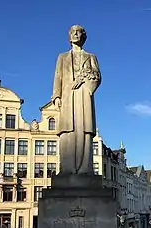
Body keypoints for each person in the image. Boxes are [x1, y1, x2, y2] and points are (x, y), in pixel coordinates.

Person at [51, 25, 101, 175]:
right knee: (68, 130)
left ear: (83, 36)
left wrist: (86, 81)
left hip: (84, 96)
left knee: (84, 129)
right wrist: (57, 96)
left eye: (78, 32)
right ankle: (67, 169)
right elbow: (57, 76)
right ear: (69, 36)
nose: (75, 34)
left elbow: (97, 76)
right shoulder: (62, 57)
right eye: (72, 32)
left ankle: (85, 168)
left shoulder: (91, 56)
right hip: (67, 96)